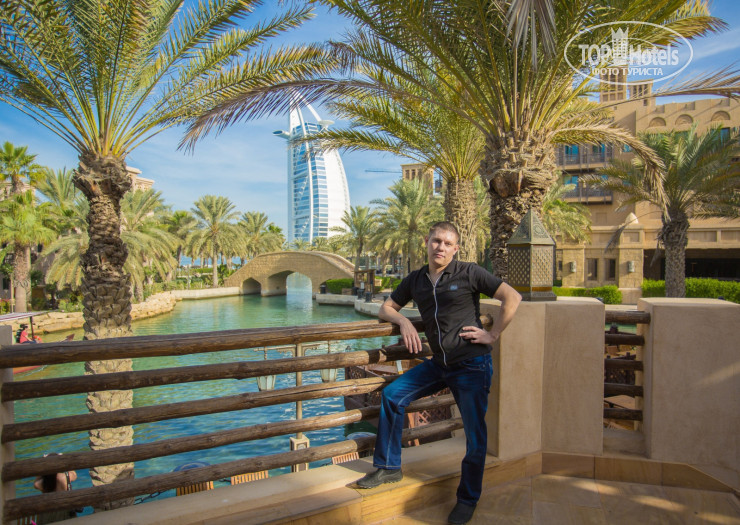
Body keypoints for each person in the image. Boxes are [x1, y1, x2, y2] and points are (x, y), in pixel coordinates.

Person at [356, 221, 521, 525]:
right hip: (439, 364)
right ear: (427, 241)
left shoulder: (469, 272)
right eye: (436, 241)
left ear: (455, 248)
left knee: (475, 434)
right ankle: (389, 467)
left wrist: (493, 334)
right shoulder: (416, 279)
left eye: (447, 243)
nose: (440, 247)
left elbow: (512, 297)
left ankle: (468, 499)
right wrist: (405, 322)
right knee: (392, 395)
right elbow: (385, 308)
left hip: (471, 365)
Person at [33, 453, 78, 524]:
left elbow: (35, 483)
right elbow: (74, 475)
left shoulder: (42, 482)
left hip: (47, 512)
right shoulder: (65, 477)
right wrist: (64, 460)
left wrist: (43, 463)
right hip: (63, 511)